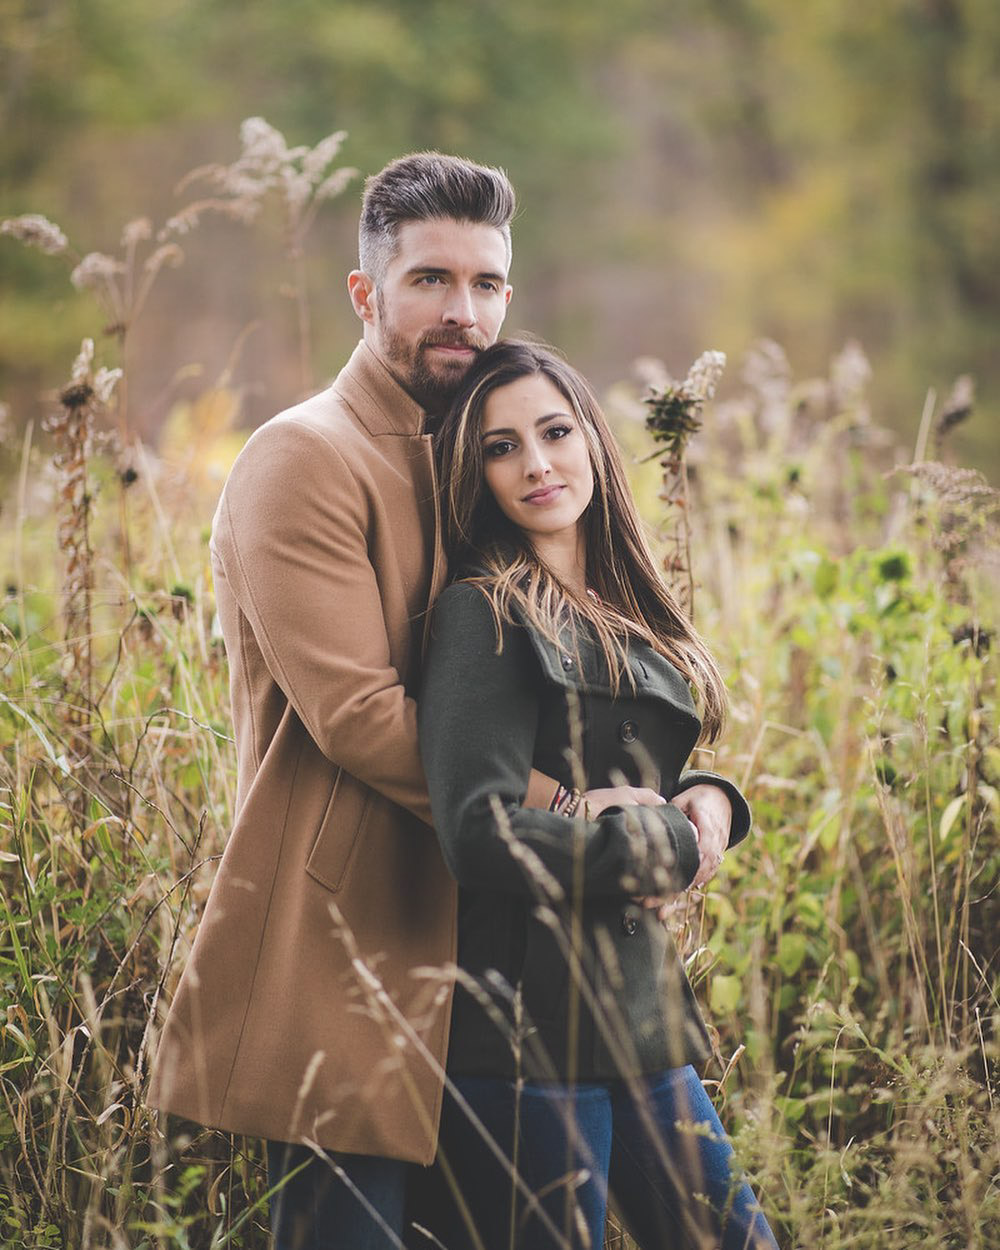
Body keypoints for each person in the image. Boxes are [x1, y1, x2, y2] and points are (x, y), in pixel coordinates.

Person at [148, 154, 570, 1249]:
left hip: (498, 938)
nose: (462, 312)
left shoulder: (497, 454)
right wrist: (570, 814)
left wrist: (692, 796)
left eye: (486, 284)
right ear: (363, 292)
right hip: (355, 940)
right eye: (430, 279)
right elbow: (360, 718)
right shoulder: (303, 456)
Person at [416, 339, 779, 1249]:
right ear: (477, 472)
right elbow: (478, 827)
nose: (536, 464)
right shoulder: (484, 609)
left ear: (592, 442)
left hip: (635, 1012)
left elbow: (622, 772)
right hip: (526, 1030)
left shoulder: (622, 597)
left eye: (553, 432)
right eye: (502, 447)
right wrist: (654, 847)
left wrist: (711, 804)